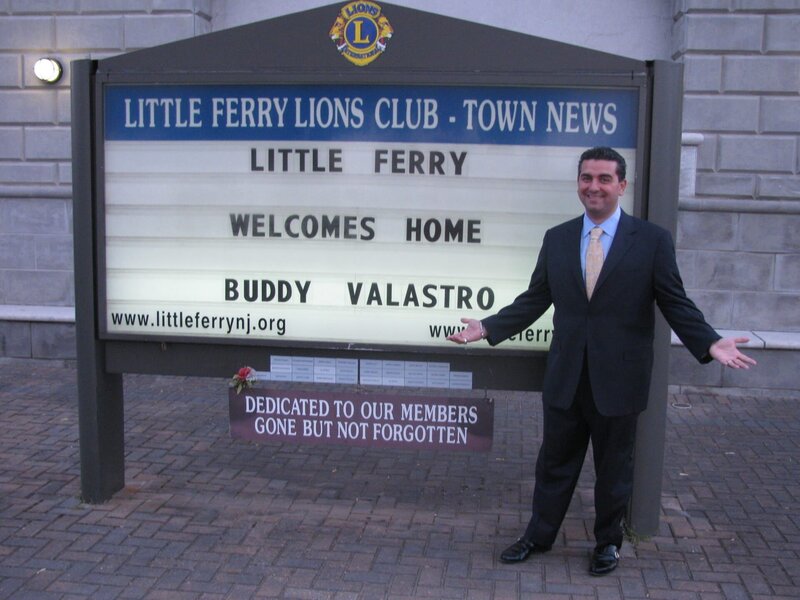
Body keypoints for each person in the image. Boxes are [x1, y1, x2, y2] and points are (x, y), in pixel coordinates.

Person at [447, 146, 755, 576]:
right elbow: (536, 299)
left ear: (621, 186)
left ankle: (607, 543)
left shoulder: (650, 241)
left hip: (619, 380)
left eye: (604, 179)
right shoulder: (557, 238)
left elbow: (675, 301)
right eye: (587, 178)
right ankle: (538, 536)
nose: (594, 186)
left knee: (613, 470)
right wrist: (488, 326)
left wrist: (709, 342)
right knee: (553, 464)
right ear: (579, 183)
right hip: (567, 376)